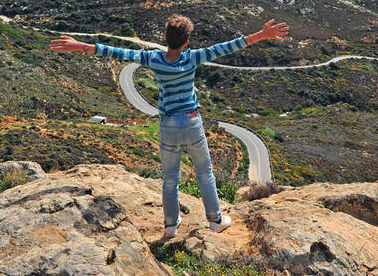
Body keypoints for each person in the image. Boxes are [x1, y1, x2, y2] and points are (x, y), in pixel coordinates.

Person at [49, 15, 289, 237]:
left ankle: (171, 225)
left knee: (170, 179)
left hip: (168, 125)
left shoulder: (153, 58)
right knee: (204, 173)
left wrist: (80, 45)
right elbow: (227, 47)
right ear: (187, 42)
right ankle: (215, 220)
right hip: (193, 122)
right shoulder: (193, 57)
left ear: (164, 37)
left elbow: (118, 52)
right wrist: (261, 35)